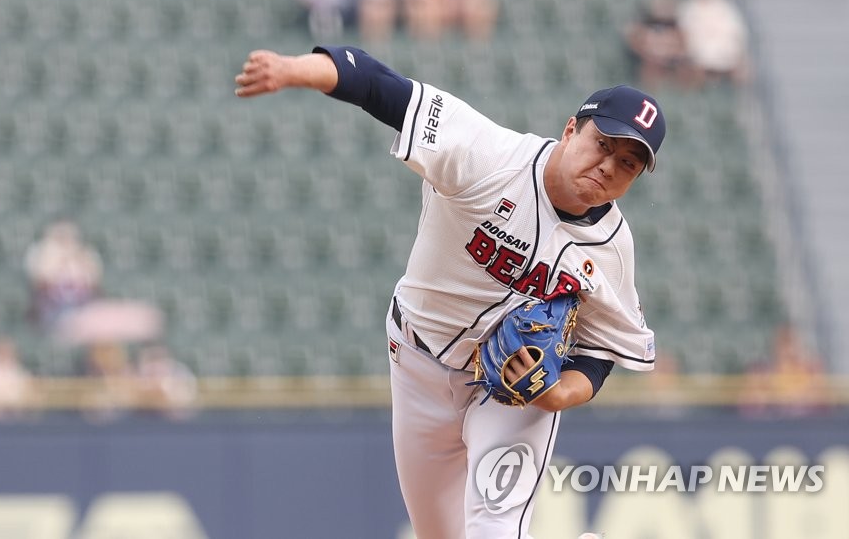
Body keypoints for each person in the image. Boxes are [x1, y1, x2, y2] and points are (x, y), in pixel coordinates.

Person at [234, 45, 664, 539]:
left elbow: (600, 351)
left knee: (495, 529)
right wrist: (294, 71)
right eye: (603, 144)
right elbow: (376, 83)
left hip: (508, 391)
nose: (610, 165)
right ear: (571, 129)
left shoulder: (612, 249)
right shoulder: (488, 156)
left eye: (629, 162)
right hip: (417, 361)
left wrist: (556, 392)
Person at [24, 220, 103, 332]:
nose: (65, 240)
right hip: (52, 308)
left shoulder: (85, 253)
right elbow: (40, 281)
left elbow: (93, 281)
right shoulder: (42, 254)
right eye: (61, 236)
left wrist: (78, 259)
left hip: (82, 306)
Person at [677, 0, 751, 86]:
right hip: (699, 54)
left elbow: (737, 33)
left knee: (744, 70)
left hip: (726, 54)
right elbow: (684, 33)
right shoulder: (689, 8)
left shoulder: (725, 8)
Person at [623, 0, 697, 89]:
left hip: (671, 59)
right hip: (650, 59)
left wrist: (672, 54)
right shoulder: (644, 25)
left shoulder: (677, 27)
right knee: (649, 69)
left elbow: (683, 46)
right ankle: (649, 93)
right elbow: (635, 42)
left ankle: (686, 95)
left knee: (688, 69)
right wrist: (650, 54)